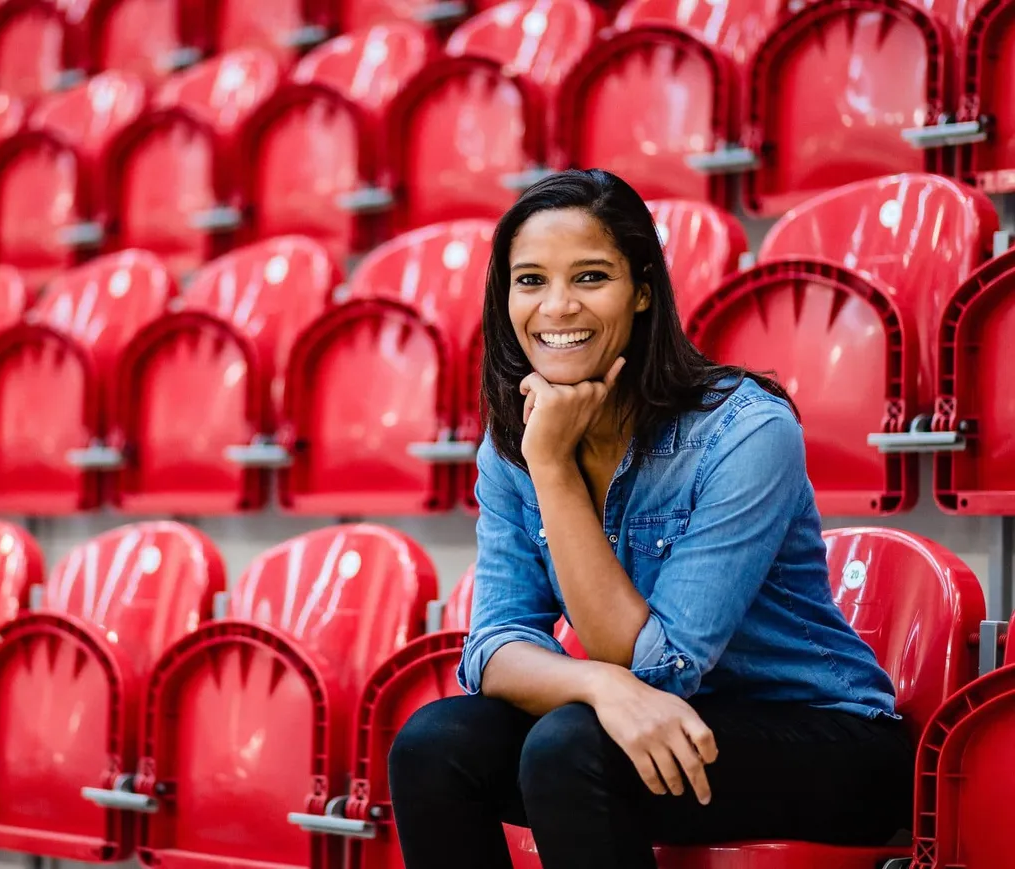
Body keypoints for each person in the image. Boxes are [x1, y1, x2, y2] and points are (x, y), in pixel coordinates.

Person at [386, 169, 913, 868]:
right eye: (531, 280)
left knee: (570, 747)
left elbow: (657, 670)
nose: (557, 307)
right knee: (435, 743)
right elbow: (494, 646)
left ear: (640, 290)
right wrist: (597, 683)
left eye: (591, 276)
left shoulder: (746, 429)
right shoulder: (516, 439)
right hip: (638, 722)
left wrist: (554, 470)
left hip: (825, 739)